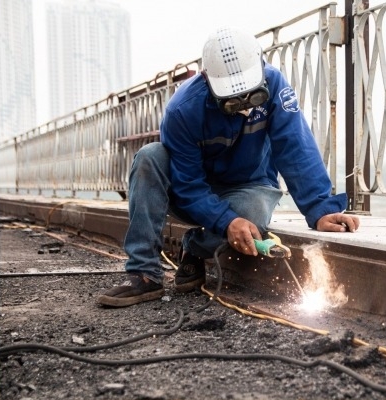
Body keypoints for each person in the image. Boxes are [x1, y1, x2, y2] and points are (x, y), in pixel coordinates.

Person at [98, 26, 361, 307]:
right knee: (149, 156)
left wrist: (320, 208)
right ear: (206, 78)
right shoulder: (182, 110)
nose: (244, 108)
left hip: (247, 185)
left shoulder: (276, 85)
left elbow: (295, 147)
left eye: (252, 96)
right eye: (232, 101)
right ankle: (144, 273)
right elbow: (188, 185)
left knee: (253, 214)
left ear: (262, 66)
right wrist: (226, 221)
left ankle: (195, 248)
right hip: (192, 193)